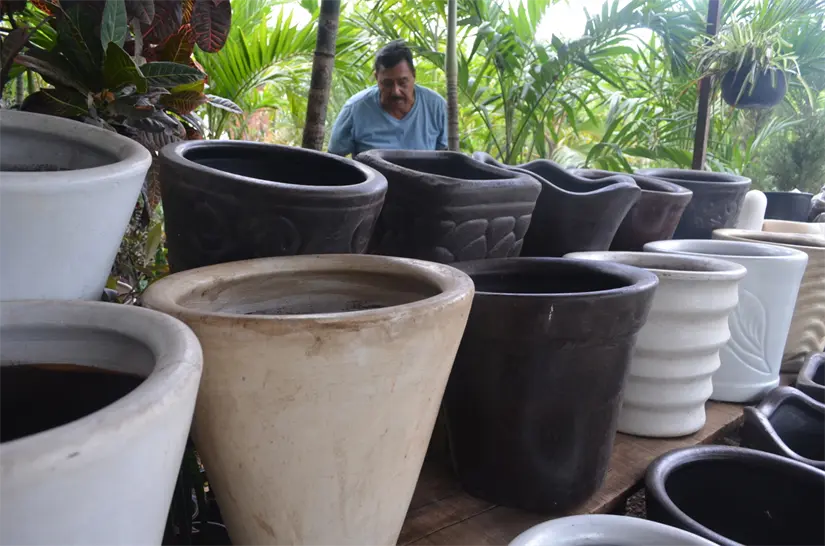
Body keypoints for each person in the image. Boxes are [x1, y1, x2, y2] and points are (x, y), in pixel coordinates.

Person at [328, 40, 447, 156]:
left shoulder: (436, 106)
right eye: (387, 83)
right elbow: (333, 161)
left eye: (402, 82)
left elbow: (448, 158)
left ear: (414, 75)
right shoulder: (355, 109)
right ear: (376, 78)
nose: (396, 91)